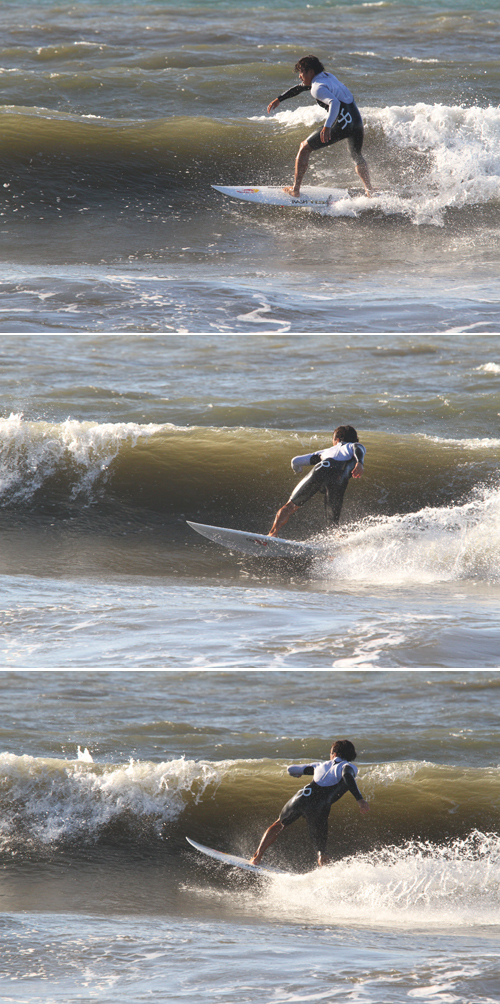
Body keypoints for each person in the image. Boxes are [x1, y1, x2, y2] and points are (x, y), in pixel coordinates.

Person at [250, 739, 370, 867]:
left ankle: (257, 857)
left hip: (302, 797)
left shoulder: (320, 765)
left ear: (334, 754)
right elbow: (347, 776)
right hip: (319, 805)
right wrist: (360, 800)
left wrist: (299, 774)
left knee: (279, 824)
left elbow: (291, 769)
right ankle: (326, 875)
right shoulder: (349, 767)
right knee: (321, 850)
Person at [267, 54, 372, 198]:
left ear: (310, 72)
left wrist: (327, 126)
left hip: (342, 122)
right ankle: (369, 191)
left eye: (301, 72)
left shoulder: (316, 88)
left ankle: (295, 189)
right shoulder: (328, 77)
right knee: (356, 155)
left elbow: (334, 103)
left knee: (304, 148)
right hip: (356, 121)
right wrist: (280, 99)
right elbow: (300, 87)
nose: (299, 76)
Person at [268, 424, 365, 537]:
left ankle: (272, 535)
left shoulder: (326, 451)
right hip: (338, 476)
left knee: (289, 507)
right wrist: (360, 463)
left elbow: (295, 461)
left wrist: (297, 470)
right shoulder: (355, 446)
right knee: (333, 522)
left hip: (321, 469)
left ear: (337, 439)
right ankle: (334, 546)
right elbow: (358, 449)